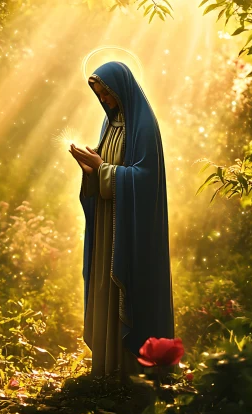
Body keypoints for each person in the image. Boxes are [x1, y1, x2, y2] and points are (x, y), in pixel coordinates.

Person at [68, 61, 174, 382]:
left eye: (108, 93)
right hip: (108, 227)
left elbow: (146, 180)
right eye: (99, 94)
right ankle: (107, 365)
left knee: (128, 290)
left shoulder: (144, 126)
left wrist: (102, 169)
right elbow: (104, 171)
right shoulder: (109, 124)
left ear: (121, 88)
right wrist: (90, 171)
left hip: (131, 229)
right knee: (106, 288)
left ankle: (131, 371)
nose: (105, 100)